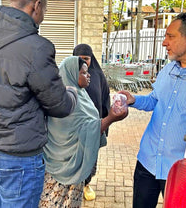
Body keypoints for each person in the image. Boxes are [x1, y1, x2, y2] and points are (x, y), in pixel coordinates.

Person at [0, 0, 77, 207]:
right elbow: (59, 105)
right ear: (37, 6)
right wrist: (72, 92)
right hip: (21, 155)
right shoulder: (36, 48)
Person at [120, 12, 186, 208]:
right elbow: (154, 100)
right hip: (148, 161)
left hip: (179, 170)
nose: (165, 43)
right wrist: (133, 100)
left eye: (171, 36)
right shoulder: (168, 69)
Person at [39, 56, 128, 207]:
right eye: (84, 73)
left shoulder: (82, 94)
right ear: (72, 74)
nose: (89, 75)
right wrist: (110, 118)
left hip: (77, 164)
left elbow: (89, 127)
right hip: (60, 166)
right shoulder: (64, 101)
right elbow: (86, 130)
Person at [73, 44, 110, 200]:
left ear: (91, 59)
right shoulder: (68, 74)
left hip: (94, 126)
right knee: (74, 158)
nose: (83, 62)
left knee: (90, 158)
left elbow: (105, 100)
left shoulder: (98, 76)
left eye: (86, 59)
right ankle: (74, 185)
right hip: (74, 128)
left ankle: (86, 184)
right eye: (79, 59)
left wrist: (104, 125)